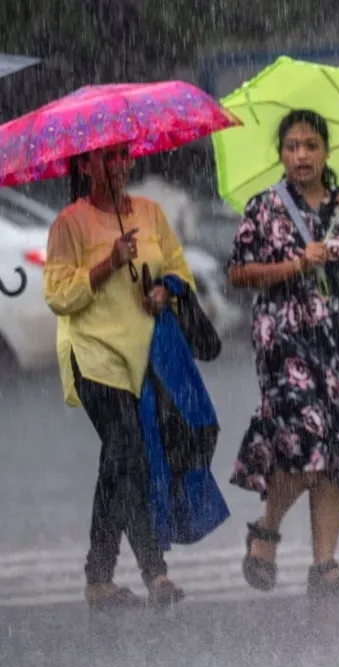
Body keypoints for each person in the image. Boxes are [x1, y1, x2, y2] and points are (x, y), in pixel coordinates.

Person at [228, 109, 339, 598]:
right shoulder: (265, 206)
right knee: (301, 442)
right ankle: (267, 529)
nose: (301, 155)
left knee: (336, 448)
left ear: (326, 152)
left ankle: (325, 565)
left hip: (335, 340)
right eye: (292, 146)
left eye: (311, 146)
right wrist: (296, 264)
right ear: (281, 154)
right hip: (284, 338)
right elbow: (239, 272)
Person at [43, 143, 194, 609]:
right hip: (92, 357)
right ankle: (156, 573)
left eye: (123, 155)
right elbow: (59, 296)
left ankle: (99, 579)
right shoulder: (70, 223)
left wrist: (163, 294)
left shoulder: (149, 213)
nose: (118, 165)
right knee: (129, 455)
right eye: (106, 157)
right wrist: (108, 262)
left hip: (140, 358)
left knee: (117, 463)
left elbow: (178, 271)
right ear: (85, 165)